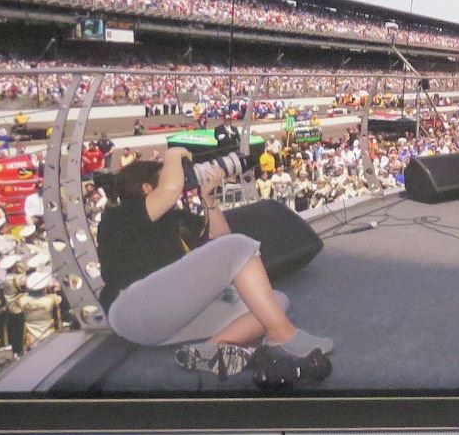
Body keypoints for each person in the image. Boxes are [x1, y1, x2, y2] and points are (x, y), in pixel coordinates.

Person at [98, 146, 331, 380]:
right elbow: (172, 190)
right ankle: (282, 334)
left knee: (276, 302)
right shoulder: (120, 215)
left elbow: (223, 241)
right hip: (131, 307)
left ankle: (210, 350)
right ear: (147, 188)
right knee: (239, 246)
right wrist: (173, 154)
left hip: (163, 323)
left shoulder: (175, 219)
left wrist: (208, 198)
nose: (181, 182)